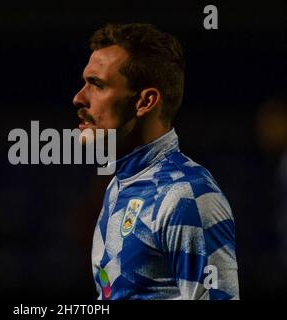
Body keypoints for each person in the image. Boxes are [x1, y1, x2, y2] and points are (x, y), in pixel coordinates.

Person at [72, 23, 239, 300]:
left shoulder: (188, 196)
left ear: (145, 102)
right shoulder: (118, 186)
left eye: (97, 85)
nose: (79, 98)